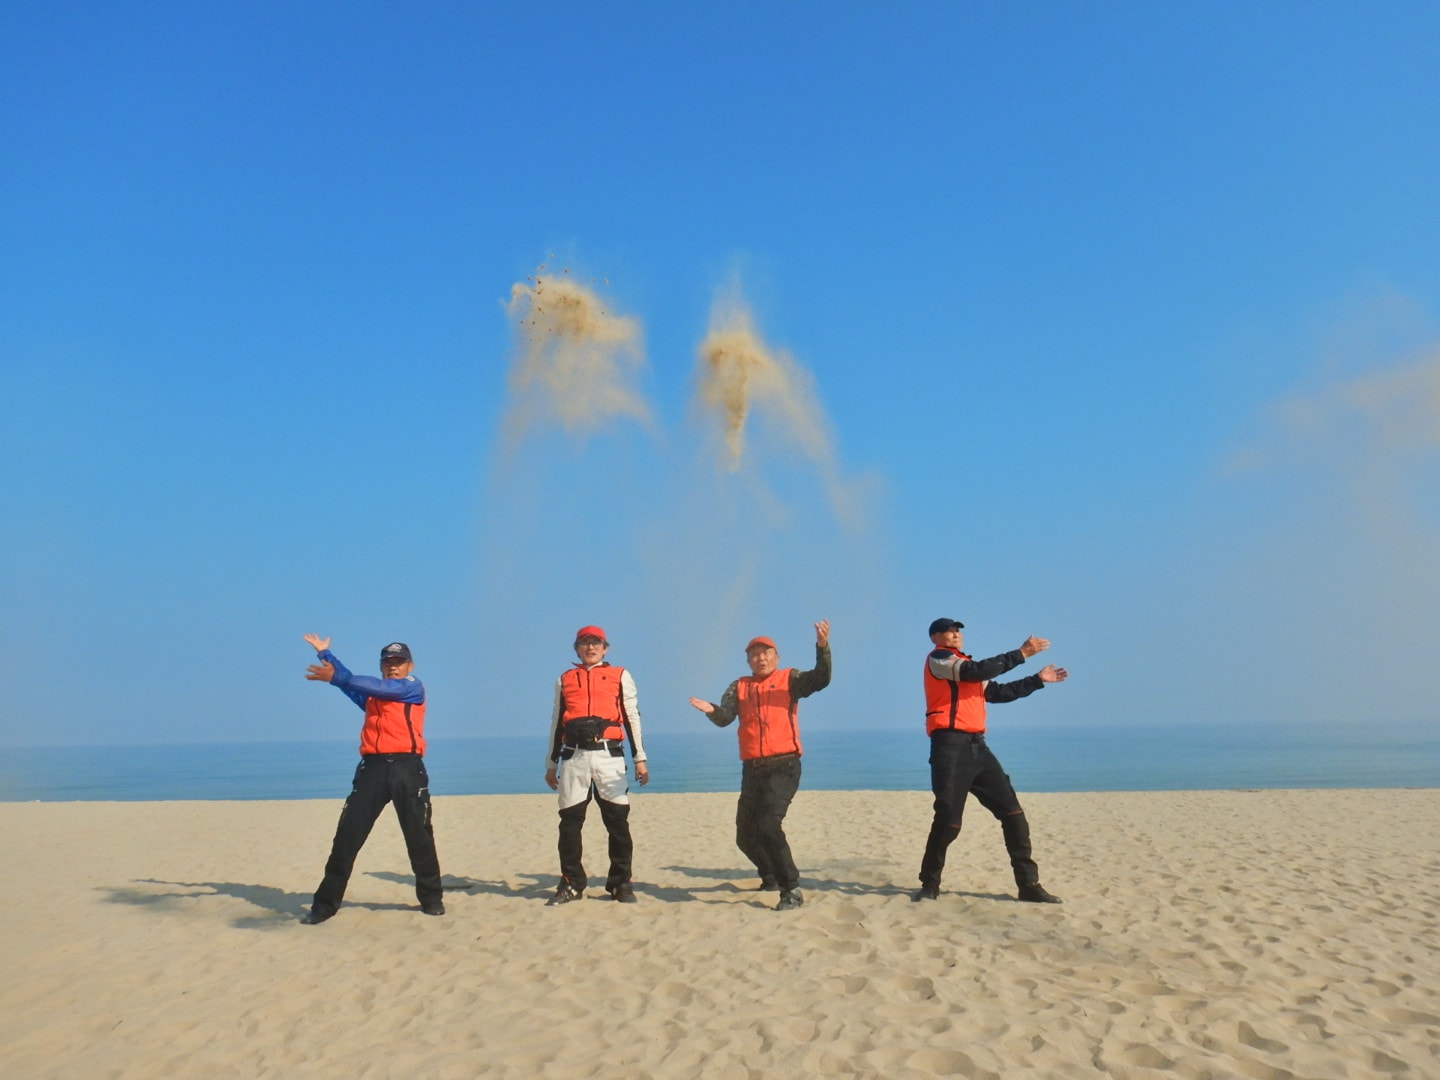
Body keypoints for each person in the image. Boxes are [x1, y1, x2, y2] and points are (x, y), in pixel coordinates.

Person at [916, 617, 1067, 904]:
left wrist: (1037, 680)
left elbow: (998, 693)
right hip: (949, 747)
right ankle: (929, 884)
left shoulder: (966, 666)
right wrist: (1021, 653)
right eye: (949, 631)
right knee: (949, 822)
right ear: (935, 637)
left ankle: (1028, 885)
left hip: (978, 747)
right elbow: (976, 671)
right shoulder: (940, 659)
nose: (955, 634)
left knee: (1013, 814)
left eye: (958, 630)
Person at [299, 635, 444, 924]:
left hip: (407, 768)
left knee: (418, 836)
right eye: (388, 662)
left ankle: (431, 899)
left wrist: (337, 676)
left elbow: (367, 684)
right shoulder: (373, 696)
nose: (393, 667)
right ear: (381, 666)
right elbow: (348, 682)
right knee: (347, 837)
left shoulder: (412, 687)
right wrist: (325, 654)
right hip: (372, 770)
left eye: (399, 662)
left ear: (409, 665)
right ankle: (324, 906)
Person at [688, 621, 831, 911]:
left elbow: (821, 679)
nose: (760, 658)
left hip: (784, 765)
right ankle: (771, 876)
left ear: (776, 657)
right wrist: (711, 709)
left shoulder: (790, 679)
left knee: (769, 825)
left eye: (765, 653)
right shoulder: (739, 686)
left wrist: (822, 646)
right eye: (754, 654)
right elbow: (725, 718)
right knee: (745, 835)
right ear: (748, 661)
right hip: (753, 769)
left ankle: (791, 889)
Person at [543, 625, 649, 904]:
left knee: (617, 822)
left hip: (608, 756)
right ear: (577, 649)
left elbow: (631, 717)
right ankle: (571, 883)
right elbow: (556, 722)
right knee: (569, 823)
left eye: (596, 643)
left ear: (605, 648)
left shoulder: (620, 675)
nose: (590, 648)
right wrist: (551, 763)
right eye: (584, 643)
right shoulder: (565, 679)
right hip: (574, 757)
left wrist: (640, 758)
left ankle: (620, 883)